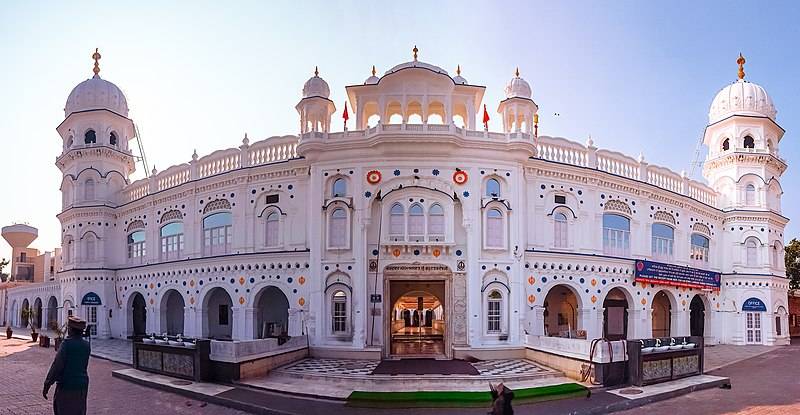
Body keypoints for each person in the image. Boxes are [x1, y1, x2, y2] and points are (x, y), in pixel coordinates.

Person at [43, 316, 91, 415]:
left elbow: (57, 366)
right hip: (82, 385)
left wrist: (48, 383)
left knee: (63, 410)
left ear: (71, 330)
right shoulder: (86, 345)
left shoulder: (66, 344)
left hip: (67, 385)